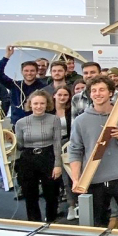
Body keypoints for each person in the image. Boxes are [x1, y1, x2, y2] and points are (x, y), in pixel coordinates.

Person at [68, 76, 118, 229]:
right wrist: (76, 179)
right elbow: (75, 151)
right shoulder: (80, 121)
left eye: (102, 90)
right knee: (98, 223)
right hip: (94, 179)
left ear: (110, 93)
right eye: (94, 91)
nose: (98, 94)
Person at [15, 90, 62, 222]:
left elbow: (57, 143)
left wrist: (58, 165)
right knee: (30, 194)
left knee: (51, 193)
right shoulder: (21, 123)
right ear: (30, 104)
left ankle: (51, 221)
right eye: (35, 103)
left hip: (48, 156)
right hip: (28, 158)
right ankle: (34, 222)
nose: (39, 106)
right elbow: (19, 145)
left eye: (42, 103)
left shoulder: (54, 120)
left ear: (47, 104)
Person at [0, 45, 47, 127]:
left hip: (37, 124)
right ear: (21, 72)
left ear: (36, 72)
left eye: (32, 71)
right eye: (26, 71)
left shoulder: (43, 87)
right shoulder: (14, 85)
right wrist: (7, 56)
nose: (29, 73)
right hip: (17, 124)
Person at [51, 85, 77, 221]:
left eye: (65, 95)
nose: (62, 98)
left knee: (68, 178)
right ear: (54, 95)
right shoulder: (49, 110)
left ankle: (71, 206)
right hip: (52, 146)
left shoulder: (71, 110)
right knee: (54, 177)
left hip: (68, 145)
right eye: (59, 95)